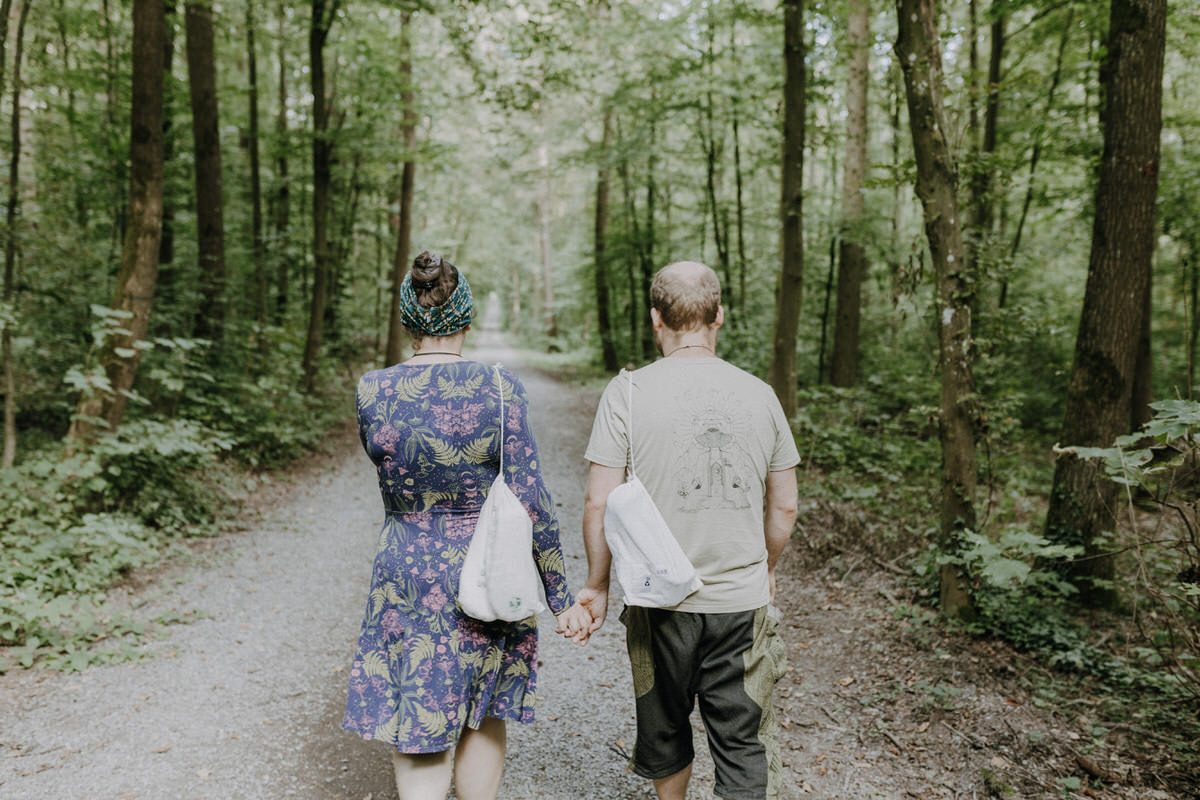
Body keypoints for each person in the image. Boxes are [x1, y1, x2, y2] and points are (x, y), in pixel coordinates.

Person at [342, 251, 591, 800]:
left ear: (407, 321)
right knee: (483, 712)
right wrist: (560, 597)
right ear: (466, 318)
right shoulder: (501, 390)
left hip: (405, 570)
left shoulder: (372, 390)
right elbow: (531, 498)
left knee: (420, 723)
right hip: (487, 571)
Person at [568, 261, 800, 800]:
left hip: (659, 603)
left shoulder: (626, 393)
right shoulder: (761, 394)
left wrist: (597, 586)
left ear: (656, 319)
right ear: (719, 315)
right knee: (743, 744)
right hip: (739, 606)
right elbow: (784, 507)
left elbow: (598, 499)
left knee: (665, 730)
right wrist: (764, 570)